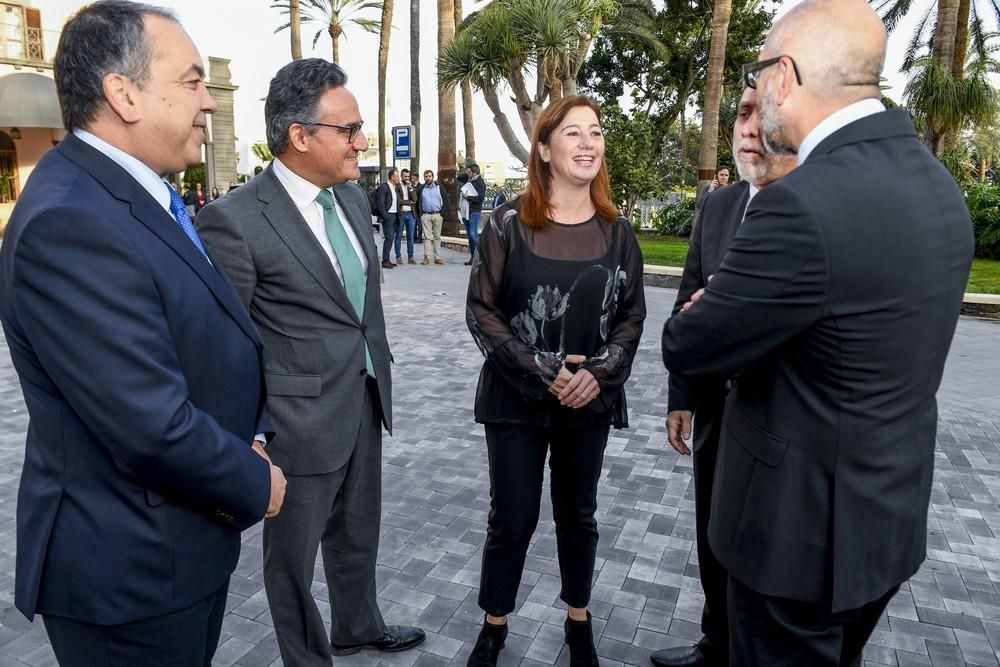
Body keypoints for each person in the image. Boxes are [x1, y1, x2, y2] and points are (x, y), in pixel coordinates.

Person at [661, 1, 974, 664]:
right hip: (883, 530)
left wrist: (712, 302)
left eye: (760, 69)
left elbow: (688, 343)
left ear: (784, 76)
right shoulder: (938, 187)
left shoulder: (800, 205)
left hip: (795, 546)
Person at [0, 2, 286, 664]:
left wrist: (252, 429)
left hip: (173, 550)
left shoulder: (129, 192)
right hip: (129, 577)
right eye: (190, 81)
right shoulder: (70, 222)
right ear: (123, 93)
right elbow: (148, 423)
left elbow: (203, 328)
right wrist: (253, 477)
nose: (208, 103)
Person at [196, 57, 425, 666]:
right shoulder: (236, 219)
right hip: (296, 426)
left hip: (364, 402)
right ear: (300, 136)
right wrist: (250, 434)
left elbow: (358, 309)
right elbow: (224, 344)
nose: (362, 141)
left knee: (357, 534)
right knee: (291, 562)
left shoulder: (348, 199)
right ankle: (307, 657)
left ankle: (357, 624)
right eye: (348, 130)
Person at [465, 95, 646, 667]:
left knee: (579, 515)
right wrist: (543, 370)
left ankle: (578, 621)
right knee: (511, 517)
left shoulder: (618, 233)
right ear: (544, 149)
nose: (589, 143)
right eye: (573, 133)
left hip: (589, 400)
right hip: (516, 397)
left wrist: (598, 374)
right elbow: (482, 310)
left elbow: (632, 316)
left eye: (596, 132)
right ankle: (494, 624)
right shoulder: (506, 224)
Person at [650, 87, 797, 667]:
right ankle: (716, 643)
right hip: (715, 410)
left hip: (783, 419)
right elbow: (688, 298)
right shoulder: (716, 206)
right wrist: (681, 394)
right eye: (740, 114)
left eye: (764, 116)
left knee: (765, 548)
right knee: (713, 533)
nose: (749, 128)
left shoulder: (811, 208)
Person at [414, 168, 449, 265]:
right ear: (424, 178)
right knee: (427, 237)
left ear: (433, 177)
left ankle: (437, 257)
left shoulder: (439, 187)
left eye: (429, 176)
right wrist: (419, 214)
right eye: (426, 176)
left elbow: (446, 200)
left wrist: (443, 213)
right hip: (426, 215)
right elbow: (416, 202)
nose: (428, 178)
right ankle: (426, 257)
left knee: (437, 237)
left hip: (438, 214)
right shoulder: (421, 188)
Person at [376, 166, 402, 269]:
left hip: (395, 215)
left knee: (391, 238)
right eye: (397, 177)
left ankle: (387, 259)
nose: (399, 178)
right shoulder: (384, 187)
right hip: (388, 216)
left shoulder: (395, 188)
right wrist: (385, 216)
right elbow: (380, 203)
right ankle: (385, 260)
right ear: (392, 177)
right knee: (389, 238)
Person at [462, 162, 486, 264]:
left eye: (469, 172)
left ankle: (480, 257)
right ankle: (473, 258)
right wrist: (467, 174)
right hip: (466, 211)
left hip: (474, 211)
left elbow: (480, 198)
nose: (467, 174)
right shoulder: (469, 180)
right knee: (470, 237)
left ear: (475, 172)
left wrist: (468, 197)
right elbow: (459, 177)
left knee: (473, 234)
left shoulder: (480, 183)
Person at [398, 168, 418, 264]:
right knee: (398, 236)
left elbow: (415, 199)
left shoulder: (411, 186)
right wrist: (409, 202)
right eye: (404, 176)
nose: (406, 178)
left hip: (411, 214)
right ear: (401, 176)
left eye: (407, 176)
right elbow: (398, 201)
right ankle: (398, 256)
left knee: (410, 237)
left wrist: (410, 188)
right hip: (401, 214)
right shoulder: (397, 186)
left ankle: (411, 257)